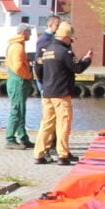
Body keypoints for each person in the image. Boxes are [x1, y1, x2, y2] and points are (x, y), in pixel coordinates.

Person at [33, 21, 91, 165]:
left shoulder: (47, 50)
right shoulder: (65, 52)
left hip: (47, 93)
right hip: (61, 93)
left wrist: (44, 83)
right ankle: (63, 155)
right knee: (63, 124)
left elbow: (38, 69)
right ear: (66, 37)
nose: (71, 41)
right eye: (71, 39)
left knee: (46, 124)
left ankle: (39, 154)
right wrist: (87, 59)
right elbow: (77, 68)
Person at [3, 25, 34, 148]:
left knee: (21, 110)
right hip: (18, 81)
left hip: (16, 80)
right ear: (23, 32)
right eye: (29, 32)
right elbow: (18, 66)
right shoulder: (17, 47)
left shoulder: (16, 45)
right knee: (17, 110)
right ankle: (10, 139)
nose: (30, 35)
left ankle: (23, 137)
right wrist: (27, 75)